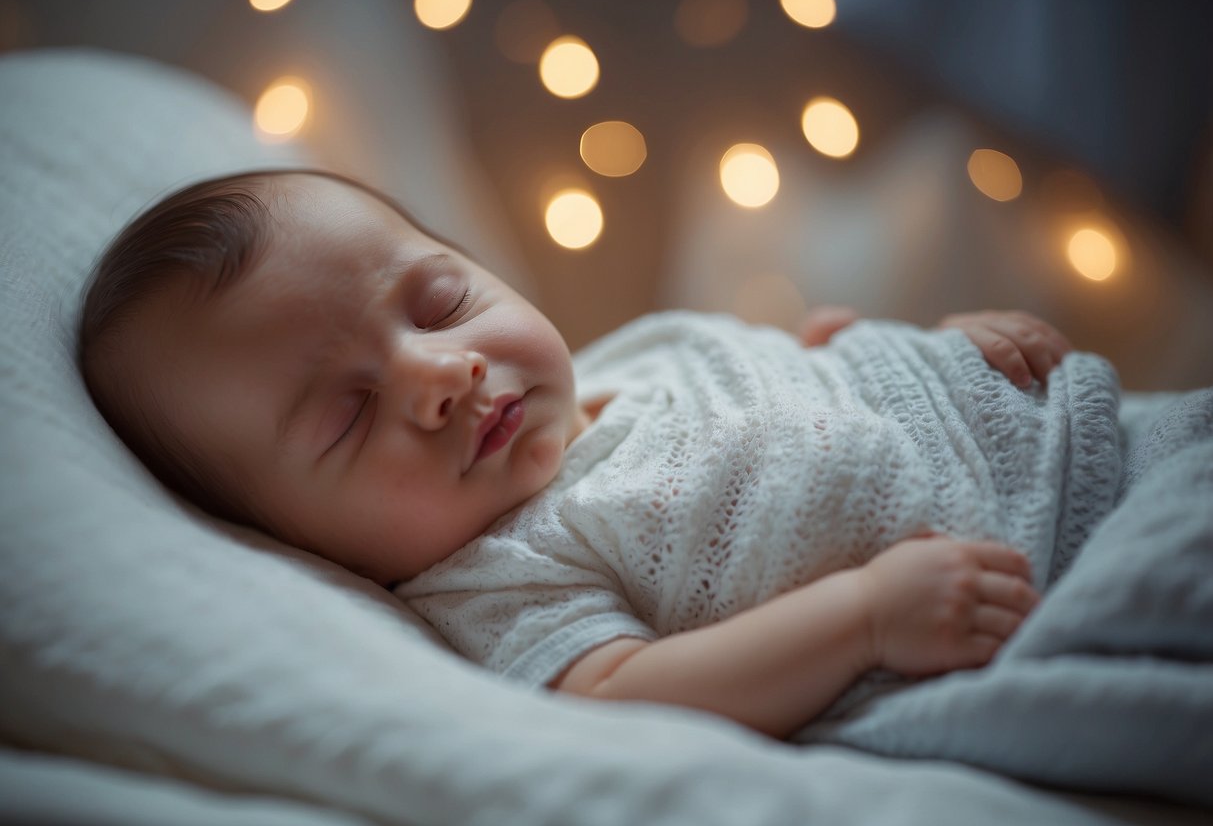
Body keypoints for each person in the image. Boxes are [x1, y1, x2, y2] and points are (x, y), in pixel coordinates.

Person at [81, 169, 1091, 738]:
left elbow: (781, 374)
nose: (440, 372)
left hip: (1078, 432)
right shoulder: (493, 583)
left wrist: (909, 348)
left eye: (440, 303)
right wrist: (863, 617)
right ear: (293, 539)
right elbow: (627, 694)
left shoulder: (634, 353)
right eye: (345, 417)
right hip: (1042, 577)